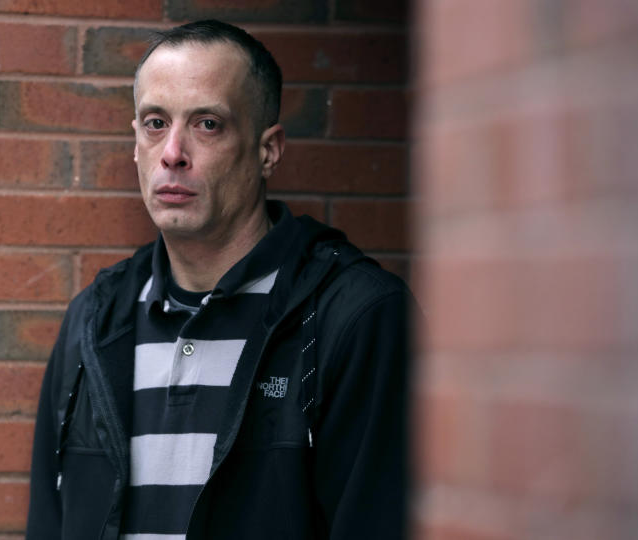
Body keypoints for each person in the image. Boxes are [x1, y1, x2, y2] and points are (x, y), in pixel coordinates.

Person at [27, 19, 413, 540]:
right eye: (155, 123)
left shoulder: (357, 319)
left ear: (268, 150)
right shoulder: (93, 322)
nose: (173, 152)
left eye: (207, 124)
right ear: (135, 143)